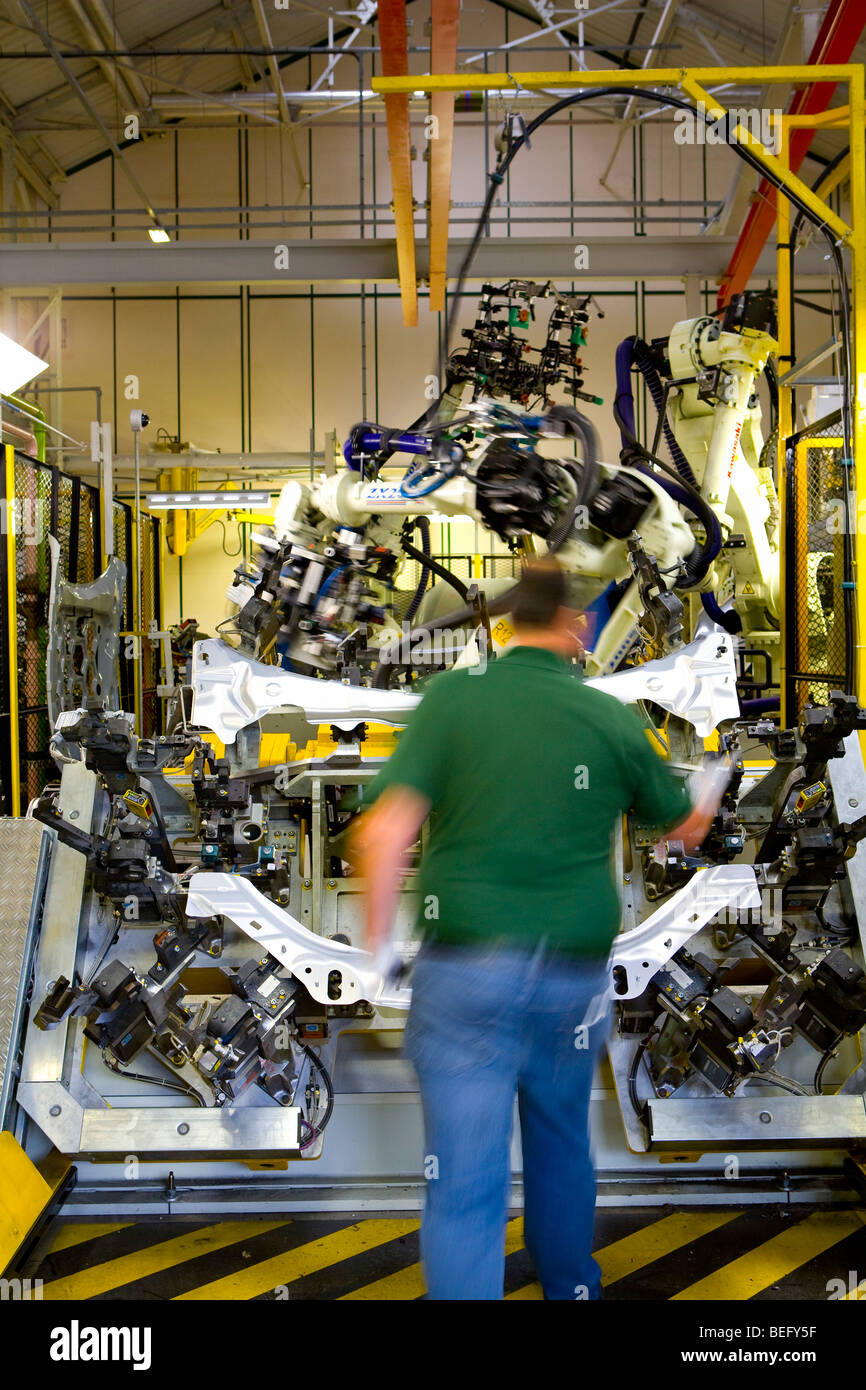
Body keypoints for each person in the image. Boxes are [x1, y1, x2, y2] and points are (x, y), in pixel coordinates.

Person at [351, 557, 718, 1300]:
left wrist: (380, 949)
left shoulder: (452, 699)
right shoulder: (610, 716)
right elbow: (684, 831)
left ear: (503, 621)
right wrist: (713, 775)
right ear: (577, 625)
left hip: (462, 980)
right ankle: (570, 1288)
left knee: (463, 1182)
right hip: (571, 987)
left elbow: (382, 835)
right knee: (561, 1150)